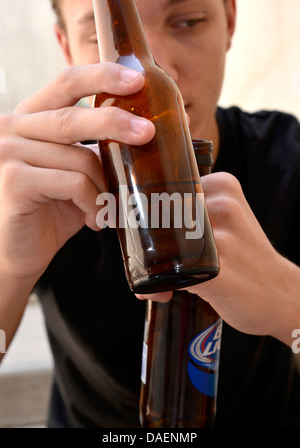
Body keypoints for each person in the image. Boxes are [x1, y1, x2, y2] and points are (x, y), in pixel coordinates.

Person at [0, 0, 299, 427]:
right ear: (67, 47)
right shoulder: (39, 190)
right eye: (106, 37)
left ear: (230, 21)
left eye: (188, 22)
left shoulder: (288, 155)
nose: (155, 74)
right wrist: (7, 268)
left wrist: (290, 302)